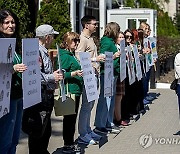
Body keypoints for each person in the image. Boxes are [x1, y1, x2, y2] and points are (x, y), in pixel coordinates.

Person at [27, 24, 63, 154]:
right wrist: (52, 77)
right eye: (52, 36)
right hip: (41, 96)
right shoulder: (37, 51)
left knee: (45, 130)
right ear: (47, 37)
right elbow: (35, 76)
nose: (53, 39)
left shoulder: (41, 50)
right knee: (39, 130)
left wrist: (54, 74)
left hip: (45, 95)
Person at [0, 9, 27, 154]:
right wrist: (13, 68)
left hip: (18, 96)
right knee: (5, 139)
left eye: (13, 22)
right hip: (5, 98)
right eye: (6, 22)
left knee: (14, 138)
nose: (11, 25)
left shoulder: (14, 45)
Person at [75, 15, 104, 145]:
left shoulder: (90, 38)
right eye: (94, 24)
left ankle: (87, 129)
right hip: (88, 75)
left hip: (94, 74)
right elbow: (78, 56)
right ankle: (83, 133)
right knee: (86, 105)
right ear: (86, 25)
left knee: (91, 104)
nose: (96, 26)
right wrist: (94, 60)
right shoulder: (82, 39)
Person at [58, 32, 83, 153]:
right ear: (67, 42)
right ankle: (67, 144)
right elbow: (60, 74)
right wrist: (74, 73)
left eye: (78, 41)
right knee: (69, 119)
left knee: (72, 119)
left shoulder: (71, 54)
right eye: (74, 41)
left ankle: (70, 142)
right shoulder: (65, 55)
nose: (77, 43)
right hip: (70, 91)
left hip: (76, 91)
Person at [94, 22, 121, 134]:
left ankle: (107, 122)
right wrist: (114, 56)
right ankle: (100, 124)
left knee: (110, 99)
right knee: (104, 99)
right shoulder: (106, 41)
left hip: (112, 73)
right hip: (107, 73)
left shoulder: (110, 41)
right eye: (118, 30)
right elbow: (103, 56)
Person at [114, 31, 128, 126]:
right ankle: (117, 118)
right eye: (120, 37)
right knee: (117, 97)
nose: (122, 39)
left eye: (123, 37)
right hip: (117, 74)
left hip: (122, 73)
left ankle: (118, 116)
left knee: (121, 96)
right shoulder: (116, 48)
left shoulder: (123, 48)